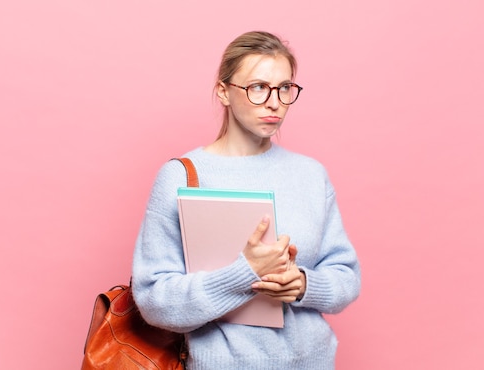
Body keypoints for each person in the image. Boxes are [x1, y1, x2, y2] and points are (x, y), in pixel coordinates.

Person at [132, 30, 361, 369]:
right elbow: (155, 301)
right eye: (257, 87)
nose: (274, 101)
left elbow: (346, 276)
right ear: (224, 92)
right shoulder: (182, 177)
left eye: (284, 88)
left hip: (312, 361)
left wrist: (302, 284)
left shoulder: (311, 174)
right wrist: (246, 274)